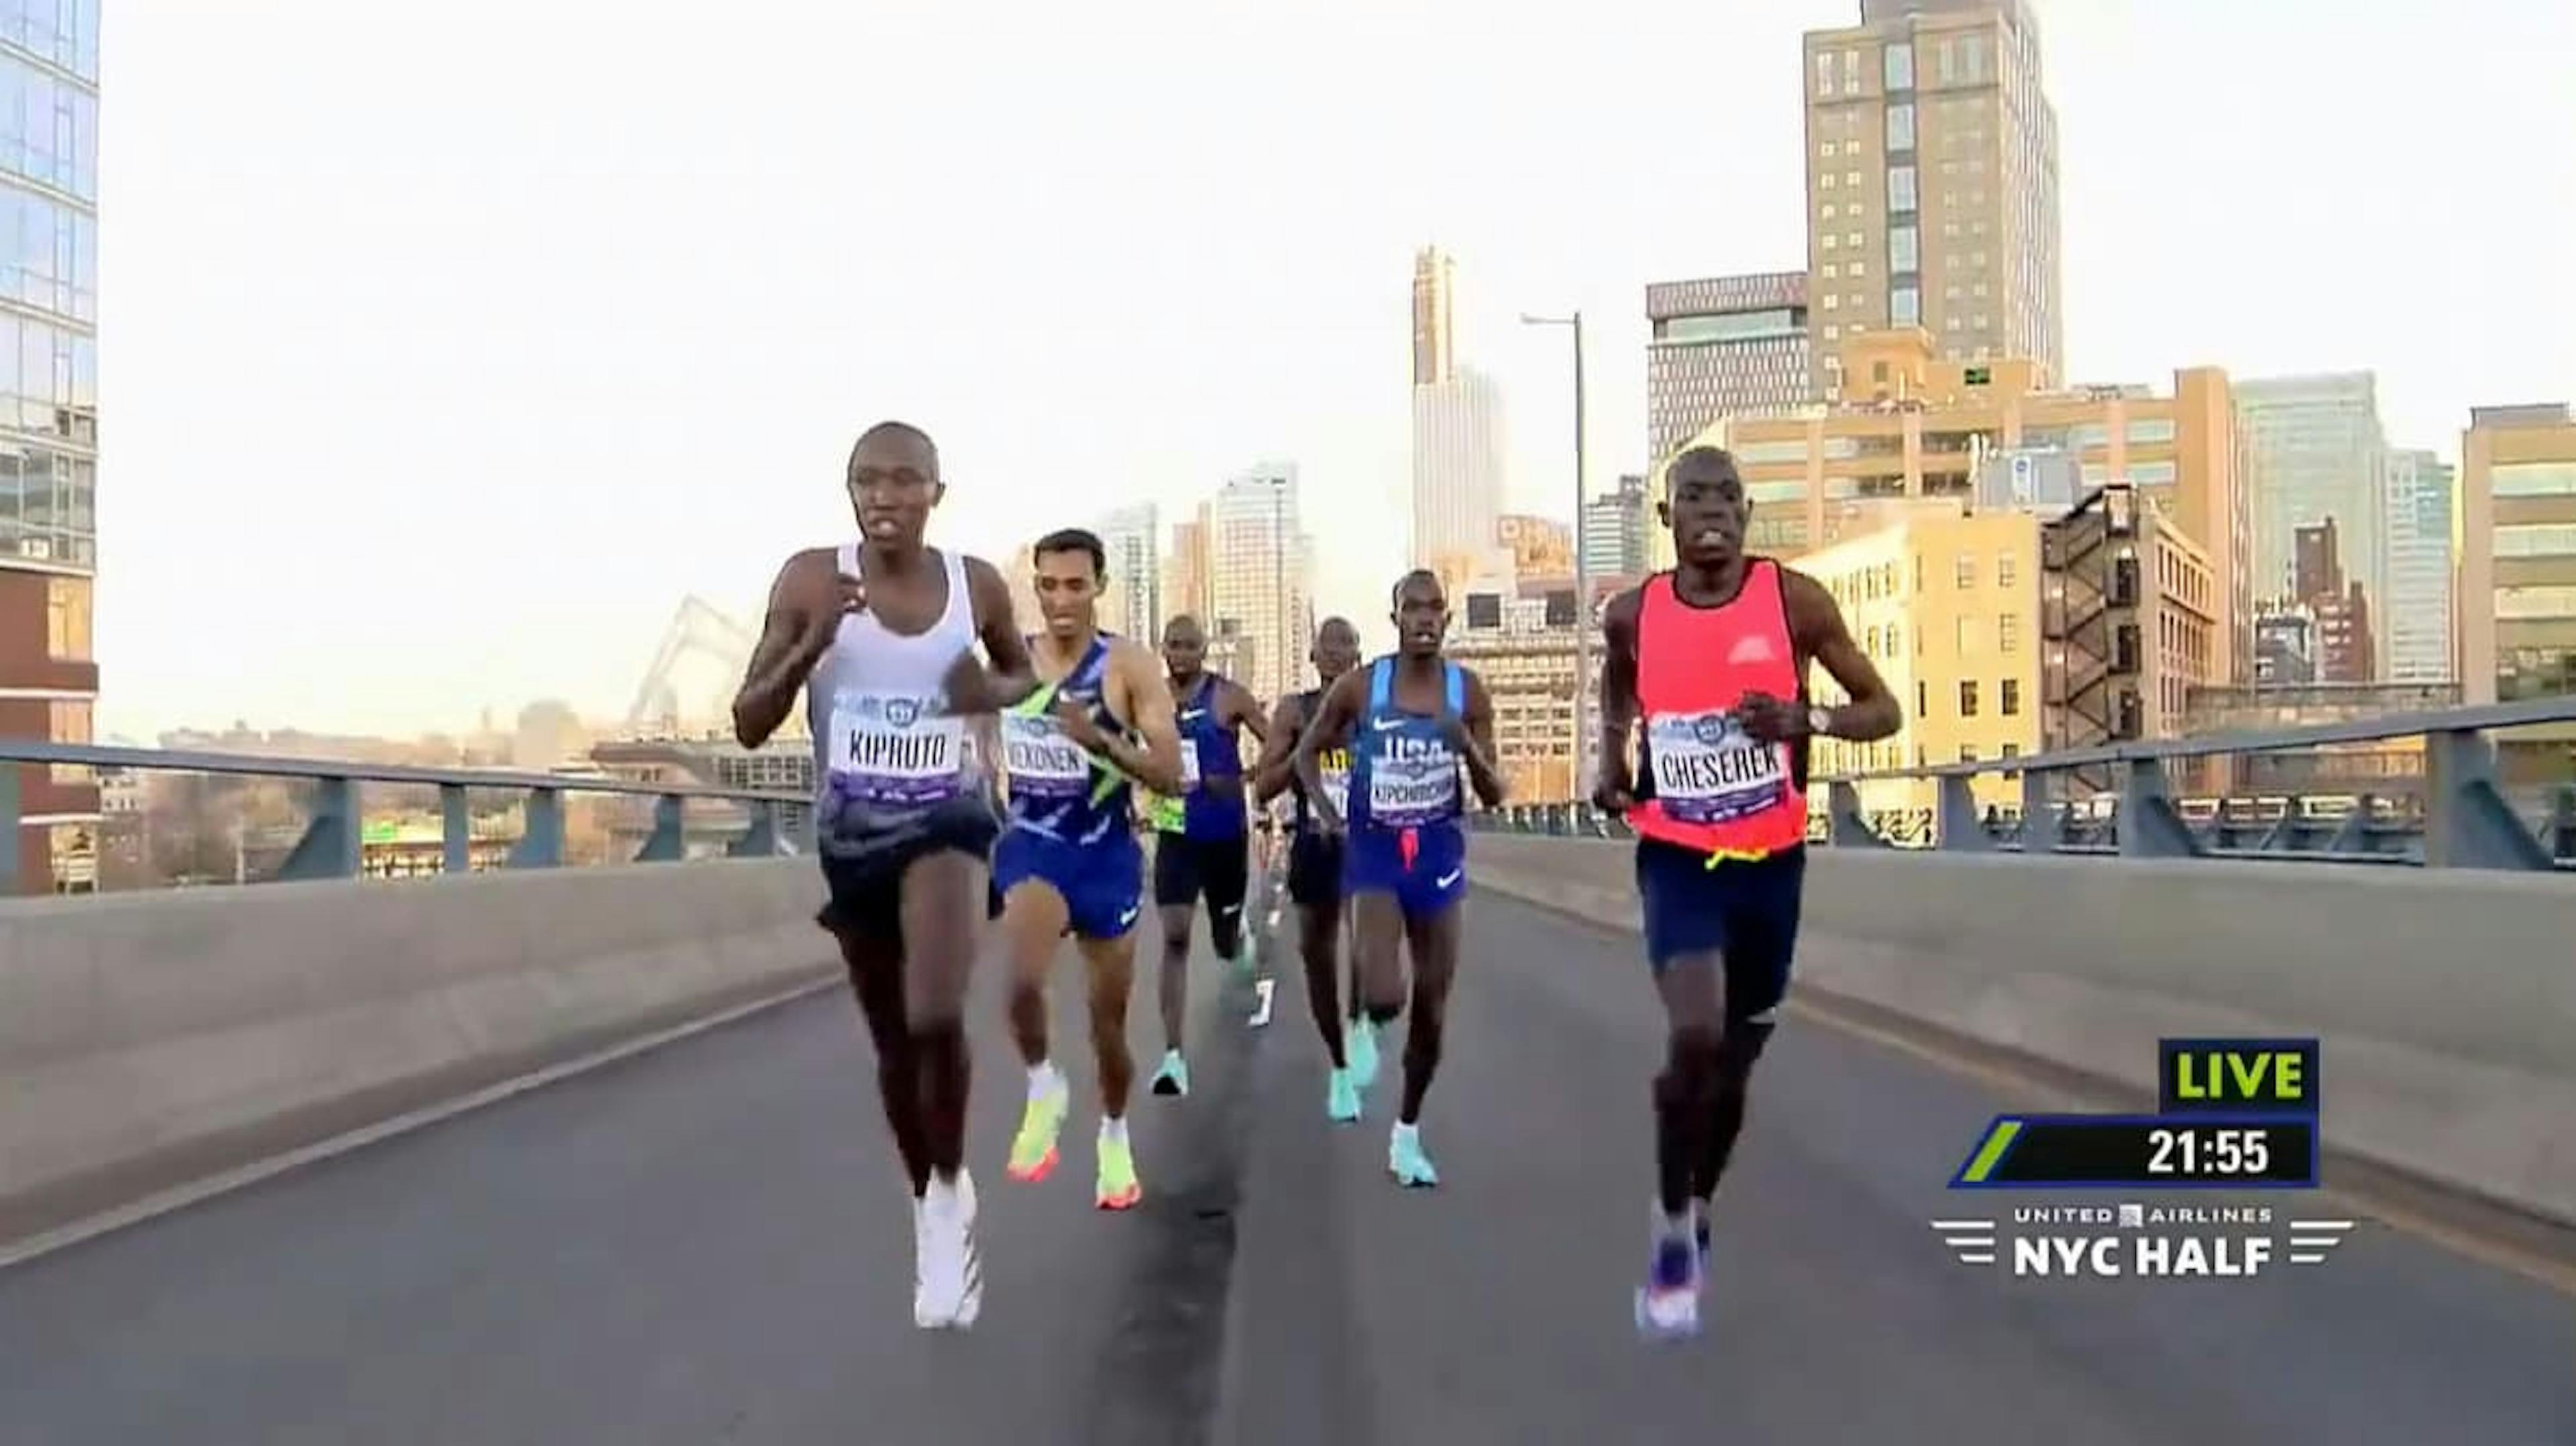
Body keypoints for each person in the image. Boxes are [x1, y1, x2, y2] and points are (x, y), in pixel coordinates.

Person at [730, 419, 1038, 1332]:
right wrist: (809, 642)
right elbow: (749, 720)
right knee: (896, 1047)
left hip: (950, 818)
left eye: (905, 481)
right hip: (852, 835)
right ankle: (932, 1189)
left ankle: (946, 1214)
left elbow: (1019, 671)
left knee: (936, 1012)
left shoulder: (972, 585)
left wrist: (988, 691)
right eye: (867, 480)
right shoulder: (810, 579)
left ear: (937, 493)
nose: (884, 496)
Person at [1593, 445, 1901, 1340]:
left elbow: (1884, 710)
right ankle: (1671, 1228)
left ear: (1747, 512)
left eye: (1728, 495)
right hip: (1678, 858)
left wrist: (1808, 718)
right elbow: (1616, 695)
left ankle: (1696, 1197)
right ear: (1669, 519)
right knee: (1693, 1038)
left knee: (1731, 1071)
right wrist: (1611, 765)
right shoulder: (1632, 615)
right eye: (1694, 497)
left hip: (1772, 865)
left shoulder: (1794, 602)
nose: (1713, 510)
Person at [990, 528, 1185, 1210]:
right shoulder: (1012, 660)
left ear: (1100, 586)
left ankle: (1113, 1132)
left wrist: (1099, 738)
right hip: (1035, 845)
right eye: (1048, 585)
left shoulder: (1128, 666)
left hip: (1105, 856)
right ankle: (1045, 1085)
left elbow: (1171, 774)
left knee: (1108, 1028)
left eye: (1076, 585)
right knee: (1019, 981)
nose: (1061, 599)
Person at [1295, 573, 1505, 1184]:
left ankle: (1406, 1133)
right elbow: (1308, 756)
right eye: (1411, 608)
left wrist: (1463, 743)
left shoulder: (1469, 691)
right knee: (1388, 992)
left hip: (1438, 858)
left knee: (1432, 1011)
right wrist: (1332, 820)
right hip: (1376, 854)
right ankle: (1366, 1017)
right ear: (1395, 618)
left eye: (1434, 608)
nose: (1424, 618)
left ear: (1447, 618)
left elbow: (1495, 793)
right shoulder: (1364, 688)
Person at [1141, 615, 1268, 1097]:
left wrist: (1242, 779)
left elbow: (1276, 740)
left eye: (1190, 645)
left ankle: (1236, 931)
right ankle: (1173, 1057)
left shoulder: (1229, 696)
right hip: (1175, 834)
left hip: (1224, 836)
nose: (1181, 653)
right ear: (1162, 647)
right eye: (1173, 644)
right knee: (1175, 936)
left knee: (1223, 943)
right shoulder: (1149, 700)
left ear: (1204, 649)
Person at [1250, 616, 1371, 1121]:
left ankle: (1362, 1019)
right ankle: (1340, 1064)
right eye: (1330, 645)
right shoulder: (1294, 711)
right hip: (1313, 846)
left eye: (1348, 644)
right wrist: (1302, 754)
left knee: (1368, 938)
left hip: (1368, 844)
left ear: (1358, 656)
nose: (1338, 652)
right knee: (1318, 960)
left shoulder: (1375, 708)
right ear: (1314, 657)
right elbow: (1263, 787)